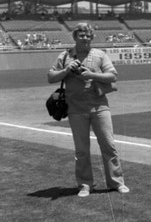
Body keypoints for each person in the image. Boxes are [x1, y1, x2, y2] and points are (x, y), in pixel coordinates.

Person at [47, 22, 129, 198]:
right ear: (75, 37)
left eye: (87, 35)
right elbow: (50, 77)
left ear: (91, 37)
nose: (84, 38)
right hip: (75, 109)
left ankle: (116, 182)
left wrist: (91, 75)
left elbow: (113, 76)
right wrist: (66, 70)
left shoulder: (100, 55)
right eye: (81, 35)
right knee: (81, 150)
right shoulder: (65, 56)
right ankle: (85, 184)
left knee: (109, 145)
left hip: (100, 107)